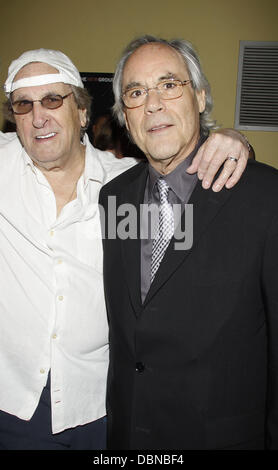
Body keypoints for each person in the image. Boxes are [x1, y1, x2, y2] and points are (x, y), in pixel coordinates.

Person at [0, 47, 250, 450]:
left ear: (82, 112)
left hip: (99, 410)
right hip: (11, 405)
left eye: (52, 100)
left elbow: (181, 265)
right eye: (23, 105)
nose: (38, 116)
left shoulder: (125, 188)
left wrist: (232, 140)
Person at [99, 35, 278, 450]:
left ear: (199, 97)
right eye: (136, 92)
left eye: (169, 85)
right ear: (125, 115)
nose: (153, 104)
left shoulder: (264, 197)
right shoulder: (113, 197)